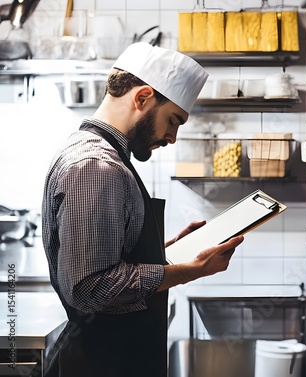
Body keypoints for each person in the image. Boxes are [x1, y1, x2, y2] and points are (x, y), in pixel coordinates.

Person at [41, 42, 244, 377]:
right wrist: (190, 271)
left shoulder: (104, 156)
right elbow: (92, 288)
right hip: (101, 364)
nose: (173, 137)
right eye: (173, 120)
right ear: (142, 98)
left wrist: (168, 252)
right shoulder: (96, 165)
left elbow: (110, 258)